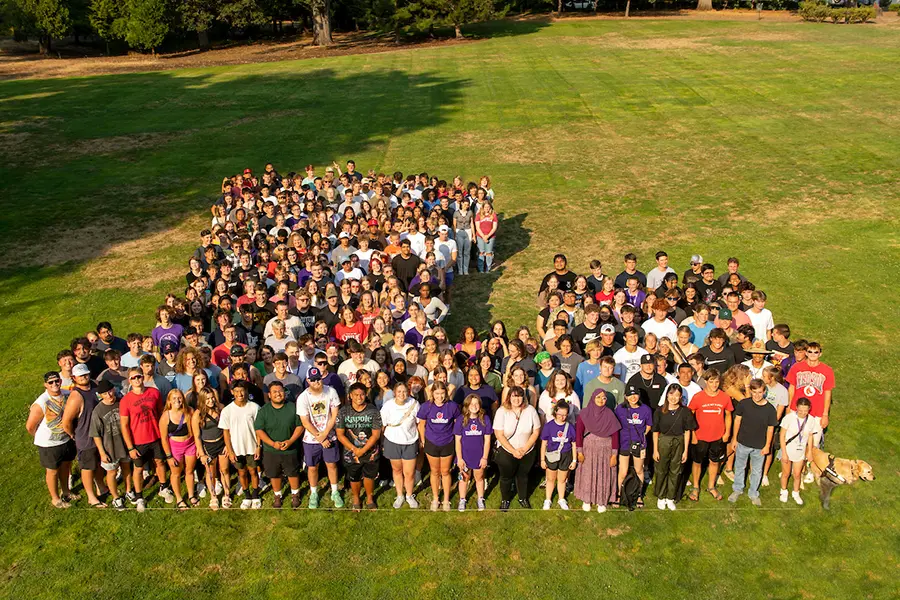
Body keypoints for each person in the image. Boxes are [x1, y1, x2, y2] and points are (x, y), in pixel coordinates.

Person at [120, 368, 170, 512]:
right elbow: (124, 425)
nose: (137, 380)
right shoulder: (126, 400)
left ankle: (163, 487)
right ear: (129, 381)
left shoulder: (154, 393)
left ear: (143, 377)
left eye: (139, 377)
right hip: (138, 440)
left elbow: (161, 413)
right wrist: (130, 447)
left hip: (155, 436)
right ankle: (139, 495)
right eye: (133, 378)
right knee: (138, 468)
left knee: (160, 462)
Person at [61, 363, 108, 508]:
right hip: (86, 437)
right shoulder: (76, 396)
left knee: (99, 464)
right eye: (81, 375)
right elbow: (66, 421)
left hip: (100, 434)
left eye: (86, 374)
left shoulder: (94, 386)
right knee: (88, 468)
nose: (84, 377)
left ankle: (101, 486)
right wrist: (73, 435)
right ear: (74, 378)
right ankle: (91, 497)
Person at [26, 372, 77, 508]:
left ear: (61, 381)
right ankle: (55, 498)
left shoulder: (67, 394)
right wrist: (41, 438)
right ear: (45, 385)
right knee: (53, 470)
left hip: (66, 439)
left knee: (66, 466)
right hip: (49, 443)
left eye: (56, 381)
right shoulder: (41, 402)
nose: (54, 384)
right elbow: (30, 426)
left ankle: (66, 491)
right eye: (51, 382)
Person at [296, 367, 344, 509]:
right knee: (312, 467)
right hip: (311, 439)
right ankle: (314, 493)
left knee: (332, 464)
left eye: (318, 379)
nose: (316, 382)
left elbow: (335, 414)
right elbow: (305, 422)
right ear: (308, 380)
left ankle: (335, 492)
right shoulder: (303, 398)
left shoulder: (331, 391)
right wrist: (321, 438)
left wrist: (325, 434)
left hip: (330, 435)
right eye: (313, 380)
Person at [254, 381, 304, 509]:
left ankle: (295, 494)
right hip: (271, 450)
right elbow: (259, 430)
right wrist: (272, 443)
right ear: (269, 395)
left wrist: (291, 441)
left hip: (290, 448)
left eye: (280, 391)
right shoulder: (264, 410)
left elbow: (300, 426)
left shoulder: (293, 407)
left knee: (292, 472)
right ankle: (277, 495)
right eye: (275, 392)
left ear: (285, 393)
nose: (278, 394)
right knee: (274, 473)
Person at [728, 379, 777, 506]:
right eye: (754, 392)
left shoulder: (770, 410)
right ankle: (737, 489)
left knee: (756, 471)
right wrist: (734, 439)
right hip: (743, 443)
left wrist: (767, 446)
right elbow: (737, 421)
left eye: (760, 392)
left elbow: (770, 429)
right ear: (750, 391)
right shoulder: (744, 404)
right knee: (739, 467)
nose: (757, 395)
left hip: (759, 447)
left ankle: (753, 493)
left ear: (764, 392)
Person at [686, 369, 732, 502]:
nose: (714, 384)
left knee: (714, 461)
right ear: (705, 381)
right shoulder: (698, 397)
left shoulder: (725, 397)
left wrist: (727, 432)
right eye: (711, 381)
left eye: (717, 381)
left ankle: (711, 486)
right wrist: (693, 434)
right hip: (700, 437)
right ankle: (695, 487)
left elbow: (728, 415)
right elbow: (690, 416)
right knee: (697, 462)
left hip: (717, 436)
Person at [336, 382, 383, 511]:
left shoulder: (373, 410)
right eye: (356, 395)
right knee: (354, 476)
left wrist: (363, 450)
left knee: (369, 476)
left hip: (370, 451)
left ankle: (369, 498)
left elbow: (376, 434)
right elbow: (340, 434)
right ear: (350, 395)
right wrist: (354, 449)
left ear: (365, 394)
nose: (359, 397)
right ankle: (356, 498)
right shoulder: (343, 411)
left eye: (362, 394)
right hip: (351, 452)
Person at [493, 386, 542, 511]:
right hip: (507, 451)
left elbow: (536, 431)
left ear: (523, 397)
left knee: (523, 476)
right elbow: (499, 434)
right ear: (509, 397)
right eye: (514, 396)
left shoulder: (530, 410)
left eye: (519, 396)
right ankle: (505, 499)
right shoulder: (502, 411)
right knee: (506, 477)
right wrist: (513, 451)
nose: (517, 399)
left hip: (527, 450)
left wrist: (525, 449)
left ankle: (523, 498)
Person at [89, 380, 133, 511]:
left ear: (114, 389)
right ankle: (115, 497)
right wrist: (102, 452)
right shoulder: (97, 411)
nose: (109, 395)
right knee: (112, 472)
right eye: (105, 393)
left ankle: (129, 491)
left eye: (110, 391)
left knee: (127, 468)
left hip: (125, 444)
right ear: (100, 395)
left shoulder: (122, 402)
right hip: (110, 447)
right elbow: (96, 434)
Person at [416, 382, 460, 511]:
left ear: (446, 393)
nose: (440, 396)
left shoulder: (452, 406)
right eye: (437, 393)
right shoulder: (426, 406)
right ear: (432, 394)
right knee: (435, 471)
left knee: (445, 471)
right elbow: (421, 424)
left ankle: (446, 500)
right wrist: (423, 440)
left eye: (442, 393)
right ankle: (436, 498)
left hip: (447, 442)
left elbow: (457, 422)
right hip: (432, 442)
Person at [652, 384, 695, 511]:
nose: (674, 398)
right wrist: (655, 449)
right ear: (667, 395)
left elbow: (688, 431)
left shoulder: (685, 411)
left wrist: (686, 450)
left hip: (679, 442)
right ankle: (661, 496)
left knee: (675, 471)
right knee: (661, 469)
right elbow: (655, 431)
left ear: (681, 396)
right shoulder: (660, 411)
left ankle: (670, 497)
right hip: (663, 441)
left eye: (677, 395)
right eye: (671, 394)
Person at [219, 381, 261, 509]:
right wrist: (230, 451)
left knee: (253, 471)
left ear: (246, 391)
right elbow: (226, 432)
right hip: (237, 448)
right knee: (241, 473)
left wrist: (258, 446)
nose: (240, 394)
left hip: (252, 446)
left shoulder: (254, 407)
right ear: (232, 392)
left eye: (242, 391)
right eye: (236, 391)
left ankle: (255, 495)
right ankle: (247, 495)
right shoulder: (227, 410)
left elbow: (259, 429)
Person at [380, 382, 421, 509]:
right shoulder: (388, 406)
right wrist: (381, 441)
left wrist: (421, 440)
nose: (402, 394)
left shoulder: (414, 404)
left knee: (409, 473)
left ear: (408, 392)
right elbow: (383, 424)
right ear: (394, 393)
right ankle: (399, 495)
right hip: (392, 441)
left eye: (404, 391)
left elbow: (419, 423)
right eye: (399, 392)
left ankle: (409, 495)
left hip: (410, 441)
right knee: (397, 470)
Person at [159, 389, 198, 510]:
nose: (177, 401)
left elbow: (196, 431)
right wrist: (169, 456)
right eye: (174, 398)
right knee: (176, 473)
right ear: (169, 401)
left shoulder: (189, 411)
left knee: (189, 471)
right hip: (175, 447)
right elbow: (164, 438)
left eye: (179, 397)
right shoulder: (166, 416)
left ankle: (191, 495)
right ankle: (179, 498)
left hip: (190, 444)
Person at [615, 385, 652, 508]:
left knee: (639, 470)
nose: (633, 397)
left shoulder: (645, 409)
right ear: (625, 396)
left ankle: (639, 495)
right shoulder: (620, 409)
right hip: (624, 443)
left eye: (635, 394)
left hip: (639, 444)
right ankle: (619, 494)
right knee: (623, 471)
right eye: (630, 395)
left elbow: (648, 426)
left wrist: (640, 437)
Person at [778, 397, 820, 506]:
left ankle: (796, 493)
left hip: (800, 452)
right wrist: (784, 453)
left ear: (809, 409)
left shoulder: (811, 420)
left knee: (797, 474)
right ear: (796, 408)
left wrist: (809, 451)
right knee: (786, 473)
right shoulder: (789, 418)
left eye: (805, 411)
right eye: (800, 410)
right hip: (788, 450)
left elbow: (810, 436)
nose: (803, 413)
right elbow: (782, 436)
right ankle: (783, 491)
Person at [192, 389, 229, 511]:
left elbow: (228, 428)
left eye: (212, 397)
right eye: (207, 398)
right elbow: (197, 436)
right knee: (210, 472)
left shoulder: (221, 408)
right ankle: (213, 496)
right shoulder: (197, 414)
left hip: (221, 443)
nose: (211, 400)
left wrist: (227, 445)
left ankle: (227, 494)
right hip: (208, 446)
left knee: (224, 469)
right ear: (202, 400)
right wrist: (201, 453)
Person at [454, 394, 492, 512]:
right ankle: (462, 499)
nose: (474, 406)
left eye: (476, 403)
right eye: (471, 404)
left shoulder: (485, 419)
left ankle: (480, 498)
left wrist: (484, 457)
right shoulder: (461, 419)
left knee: (479, 478)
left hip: (479, 456)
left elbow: (487, 441)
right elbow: (458, 441)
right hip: (464, 456)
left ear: (480, 405)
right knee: (464, 478)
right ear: (467, 405)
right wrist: (459, 458)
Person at [785, 341, 834, 428]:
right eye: (810, 351)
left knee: (814, 441)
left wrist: (825, 414)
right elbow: (791, 388)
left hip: (817, 411)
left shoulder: (827, 370)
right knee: (793, 438)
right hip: (796, 409)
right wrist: (789, 407)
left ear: (820, 354)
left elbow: (828, 393)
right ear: (806, 353)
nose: (813, 354)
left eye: (816, 352)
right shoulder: (796, 367)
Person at [540, 400, 577, 510]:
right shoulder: (548, 426)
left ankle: (561, 499)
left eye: (565, 415)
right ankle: (548, 499)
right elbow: (543, 444)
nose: (562, 417)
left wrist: (574, 460)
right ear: (555, 412)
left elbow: (574, 444)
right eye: (560, 414)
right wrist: (542, 460)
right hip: (552, 455)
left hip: (566, 455)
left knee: (562, 479)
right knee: (550, 479)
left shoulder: (570, 427)